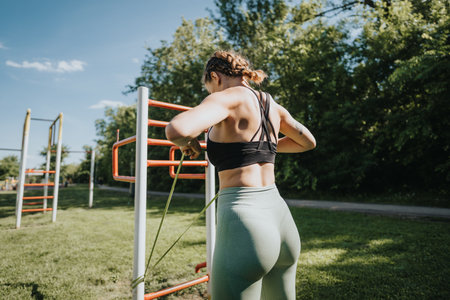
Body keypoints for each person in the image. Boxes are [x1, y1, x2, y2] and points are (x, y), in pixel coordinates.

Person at [165, 50, 316, 300]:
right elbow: (308, 142)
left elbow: (176, 129)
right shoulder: (271, 105)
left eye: (209, 87)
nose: (211, 93)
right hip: (282, 222)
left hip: (244, 225)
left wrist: (188, 140)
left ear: (215, 76)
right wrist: (269, 144)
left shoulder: (225, 99)